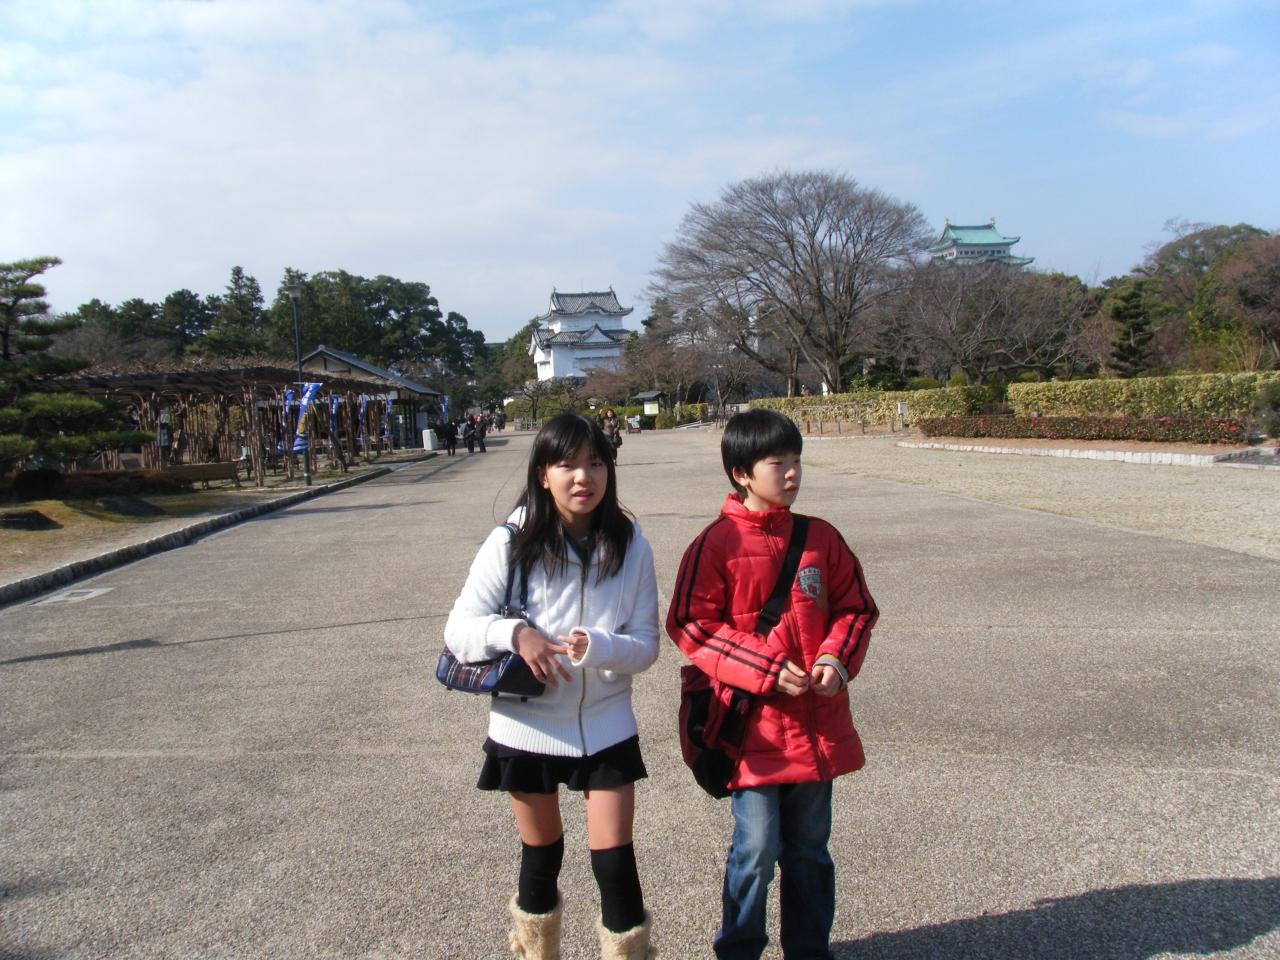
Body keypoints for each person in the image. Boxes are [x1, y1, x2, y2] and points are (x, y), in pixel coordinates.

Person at [445, 413, 661, 959]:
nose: (584, 477)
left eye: (596, 463)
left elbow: (646, 645)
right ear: (544, 474)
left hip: (607, 724)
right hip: (527, 725)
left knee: (616, 865)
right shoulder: (510, 541)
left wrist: (600, 647)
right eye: (567, 465)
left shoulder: (632, 545)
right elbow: (459, 631)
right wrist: (517, 635)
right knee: (541, 858)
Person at [666, 408, 878, 960]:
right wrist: (764, 669)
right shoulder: (714, 544)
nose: (792, 472)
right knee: (756, 849)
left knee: (809, 849)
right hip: (750, 731)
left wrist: (835, 658)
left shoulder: (821, 538)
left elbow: (856, 607)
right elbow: (689, 624)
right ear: (741, 473)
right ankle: (739, 949)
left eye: (796, 460)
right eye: (777, 462)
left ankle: (809, 950)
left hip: (815, 724)